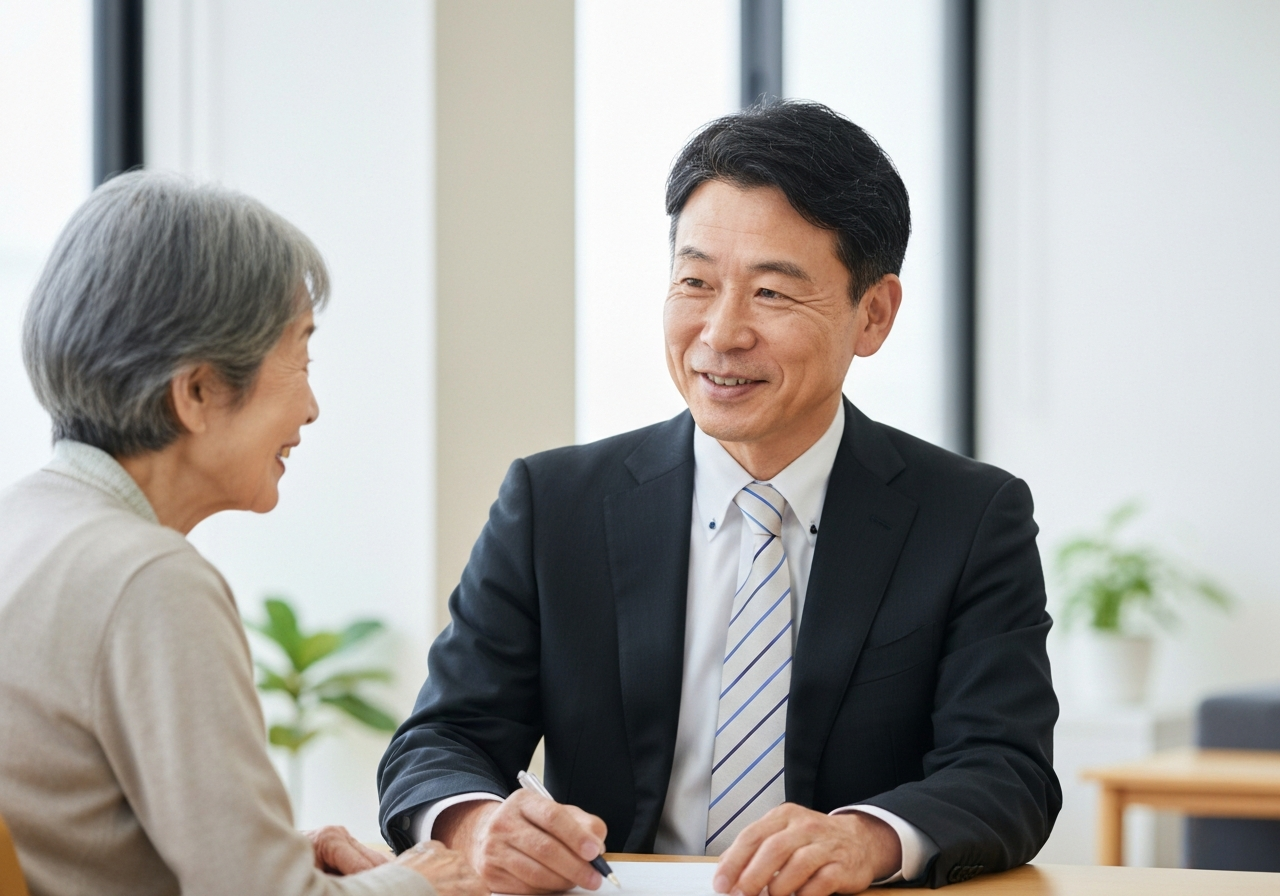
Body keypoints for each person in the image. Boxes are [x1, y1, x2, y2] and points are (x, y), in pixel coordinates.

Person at [378, 101, 1060, 892]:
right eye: (695, 282)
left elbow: (1005, 768)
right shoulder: (554, 502)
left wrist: (866, 840)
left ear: (873, 314)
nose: (721, 333)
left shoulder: (970, 517)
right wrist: (477, 822)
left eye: (771, 293)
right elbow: (441, 739)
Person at [0, 172, 488, 896]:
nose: (313, 407)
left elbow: (76, 837)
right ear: (196, 391)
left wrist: (280, 847)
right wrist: (421, 883)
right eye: (300, 356)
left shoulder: (24, 525)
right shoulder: (150, 581)